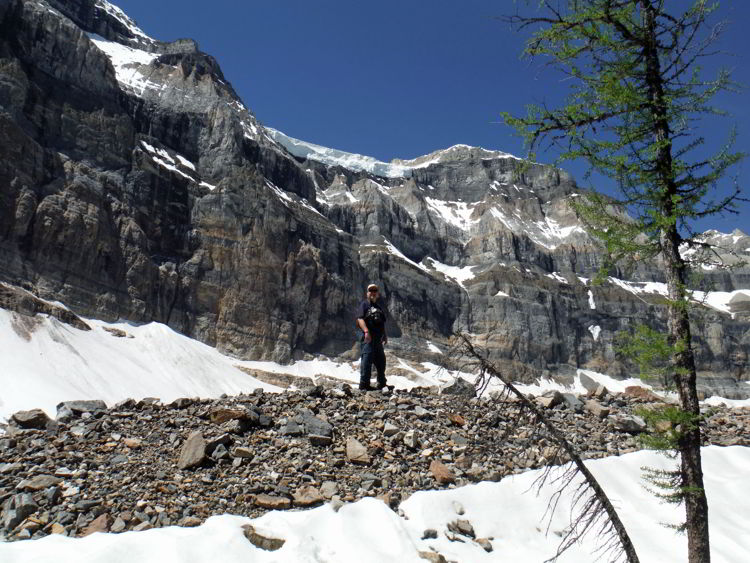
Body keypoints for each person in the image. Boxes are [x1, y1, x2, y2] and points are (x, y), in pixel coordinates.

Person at [356, 283, 388, 391]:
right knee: (367, 360)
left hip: (378, 339)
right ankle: (364, 385)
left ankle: (382, 384)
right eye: (371, 291)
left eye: (375, 291)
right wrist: (366, 331)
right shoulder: (364, 304)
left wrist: (385, 335)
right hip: (368, 338)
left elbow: (382, 322)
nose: (373, 293)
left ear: (377, 294)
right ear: (367, 293)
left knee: (381, 361)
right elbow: (360, 319)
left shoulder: (379, 308)